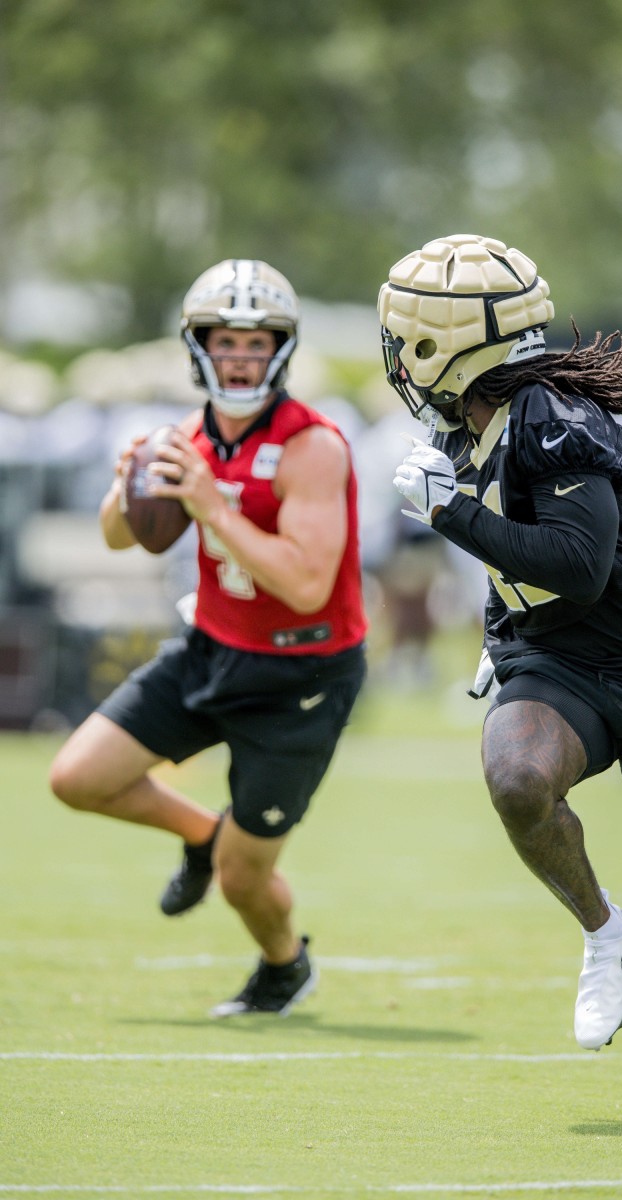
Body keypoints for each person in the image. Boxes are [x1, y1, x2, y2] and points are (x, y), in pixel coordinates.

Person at [379, 233, 622, 1118]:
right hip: (558, 657)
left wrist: (450, 512)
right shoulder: (467, 417)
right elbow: (527, 570)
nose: (396, 356)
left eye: (406, 338)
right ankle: (601, 931)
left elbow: (578, 566)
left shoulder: (556, 417)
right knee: (516, 779)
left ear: (444, 345)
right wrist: (498, 630)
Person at [50, 258, 368, 1016]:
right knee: (77, 777)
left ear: (281, 350)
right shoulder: (187, 436)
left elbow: (304, 584)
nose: (240, 355)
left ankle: (284, 966)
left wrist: (211, 505)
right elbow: (121, 539)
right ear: (199, 346)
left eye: (257, 342)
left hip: (300, 677)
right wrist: (127, 487)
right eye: (225, 339)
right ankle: (203, 834)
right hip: (211, 647)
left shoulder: (312, 446)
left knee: (243, 881)